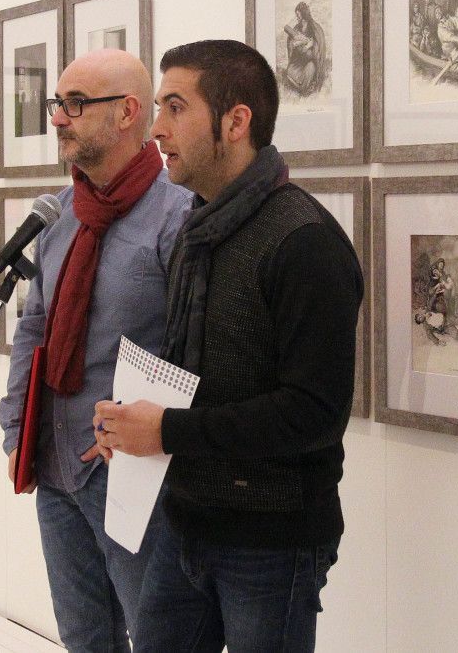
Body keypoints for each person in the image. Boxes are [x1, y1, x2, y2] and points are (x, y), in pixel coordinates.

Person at [92, 39, 362, 652]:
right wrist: (132, 423)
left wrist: (166, 433)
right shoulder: (196, 229)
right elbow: (191, 375)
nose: (156, 129)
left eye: (175, 108)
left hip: (270, 543)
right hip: (185, 520)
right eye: (158, 108)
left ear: (236, 121)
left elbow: (313, 414)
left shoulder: (305, 243)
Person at [0, 48, 194, 652]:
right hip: (54, 465)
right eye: (58, 103)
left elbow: (192, 354)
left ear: (127, 112)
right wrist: (14, 431)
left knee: (158, 637)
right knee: (84, 639)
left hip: (130, 473)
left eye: (75, 104)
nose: (58, 116)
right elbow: (34, 325)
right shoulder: (61, 213)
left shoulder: (177, 219)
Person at [282, 1, 327, 96]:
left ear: (303, 14)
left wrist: (310, 44)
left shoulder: (314, 27)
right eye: (296, 15)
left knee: (310, 69)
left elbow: (319, 44)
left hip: (311, 60)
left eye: (298, 14)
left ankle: (306, 87)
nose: (297, 17)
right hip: (300, 61)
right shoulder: (297, 28)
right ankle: (300, 85)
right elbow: (291, 41)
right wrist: (293, 44)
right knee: (289, 71)